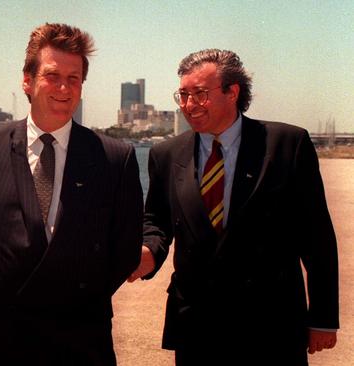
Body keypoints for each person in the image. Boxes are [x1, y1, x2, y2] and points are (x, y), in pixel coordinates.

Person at [128, 49, 339, 365]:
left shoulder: (286, 144)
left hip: (271, 326)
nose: (188, 105)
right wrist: (147, 253)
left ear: (232, 92)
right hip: (196, 327)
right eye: (183, 95)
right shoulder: (166, 154)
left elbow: (317, 236)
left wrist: (322, 317)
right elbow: (156, 222)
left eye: (200, 94)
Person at [0, 23, 143, 365]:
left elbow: (125, 249)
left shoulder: (116, 158)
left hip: (80, 340)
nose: (63, 88)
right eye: (52, 75)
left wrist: (76, 297)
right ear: (27, 80)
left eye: (74, 79)